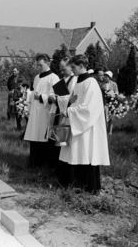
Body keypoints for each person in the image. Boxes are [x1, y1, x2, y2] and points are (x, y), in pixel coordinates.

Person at [58, 54, 110, 194]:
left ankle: (88, 186)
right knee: (76, 153)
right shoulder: (78, 81)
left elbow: (88, 108)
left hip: (86, 126)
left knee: (85, 152)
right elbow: (75, 101)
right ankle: (75, 184)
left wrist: (69, 111)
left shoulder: (91, 82)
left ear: (81, 66)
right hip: (76, 123)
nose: (71, 69)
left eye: (73, 67)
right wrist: (69, 103)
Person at [24, 54, 59, 167]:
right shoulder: (37, 77)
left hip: (45, 112)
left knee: (43, 136)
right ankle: (33, 161)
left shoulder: (54, 77)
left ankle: (43, 163)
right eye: (37, 65)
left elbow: (58, 96)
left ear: (48, 63)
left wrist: (40, 97)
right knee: (35, 134)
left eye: (41, 65)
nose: (38, 67)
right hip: (35, 111)